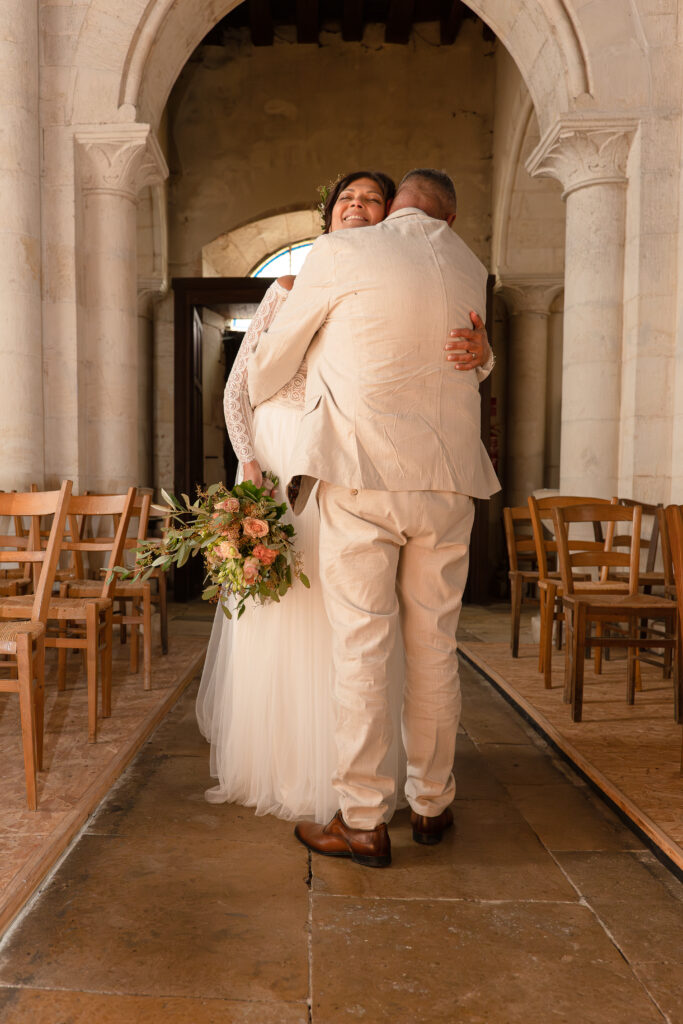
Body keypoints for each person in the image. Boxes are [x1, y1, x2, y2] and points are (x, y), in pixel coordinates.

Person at [248, 169, 500, 866]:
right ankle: (431, 804)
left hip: (363, 475)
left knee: (362, 647)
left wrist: (291, 371)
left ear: (397, 208)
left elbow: (270, 366)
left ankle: (361, 820)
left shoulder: (340, 253)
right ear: (446, 217)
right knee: (434, 647)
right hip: (448, 484)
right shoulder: (467, 264)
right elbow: (465, 358)